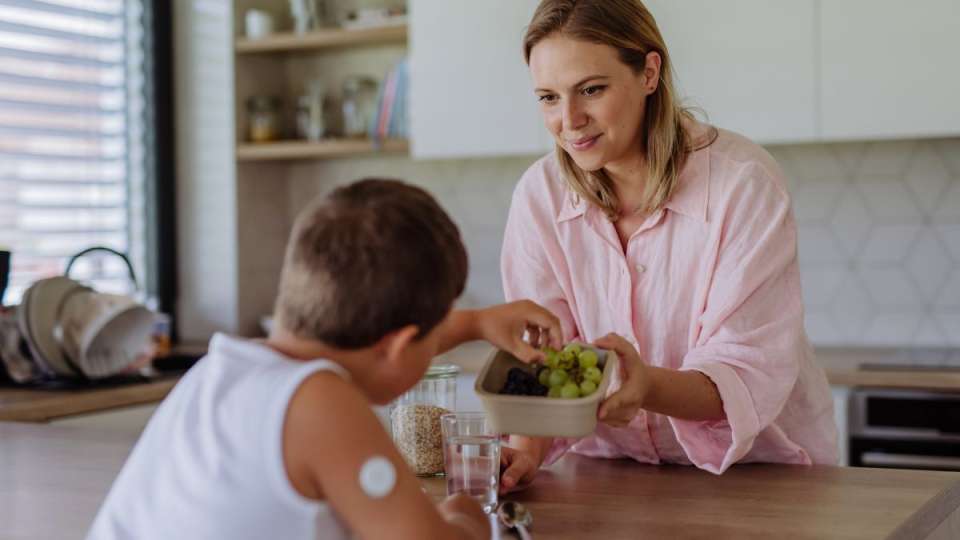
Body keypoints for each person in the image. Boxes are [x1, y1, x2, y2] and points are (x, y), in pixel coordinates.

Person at [88, 178, 562, 540]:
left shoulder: (221, 370)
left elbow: (380, 350)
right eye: (440, 327)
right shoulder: (320, 404)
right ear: (399, 343)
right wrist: (466, 517)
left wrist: (478, 323)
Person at [498, 0, 838, 492]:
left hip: (758, 476)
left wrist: (646, 385)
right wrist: (525, 452)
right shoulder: (538, 197)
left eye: (590, 90)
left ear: (649, 72)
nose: (569, 120)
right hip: (610, 475)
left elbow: (742, 370)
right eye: (548, 98)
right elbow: (546, 355)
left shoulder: (741, 185)